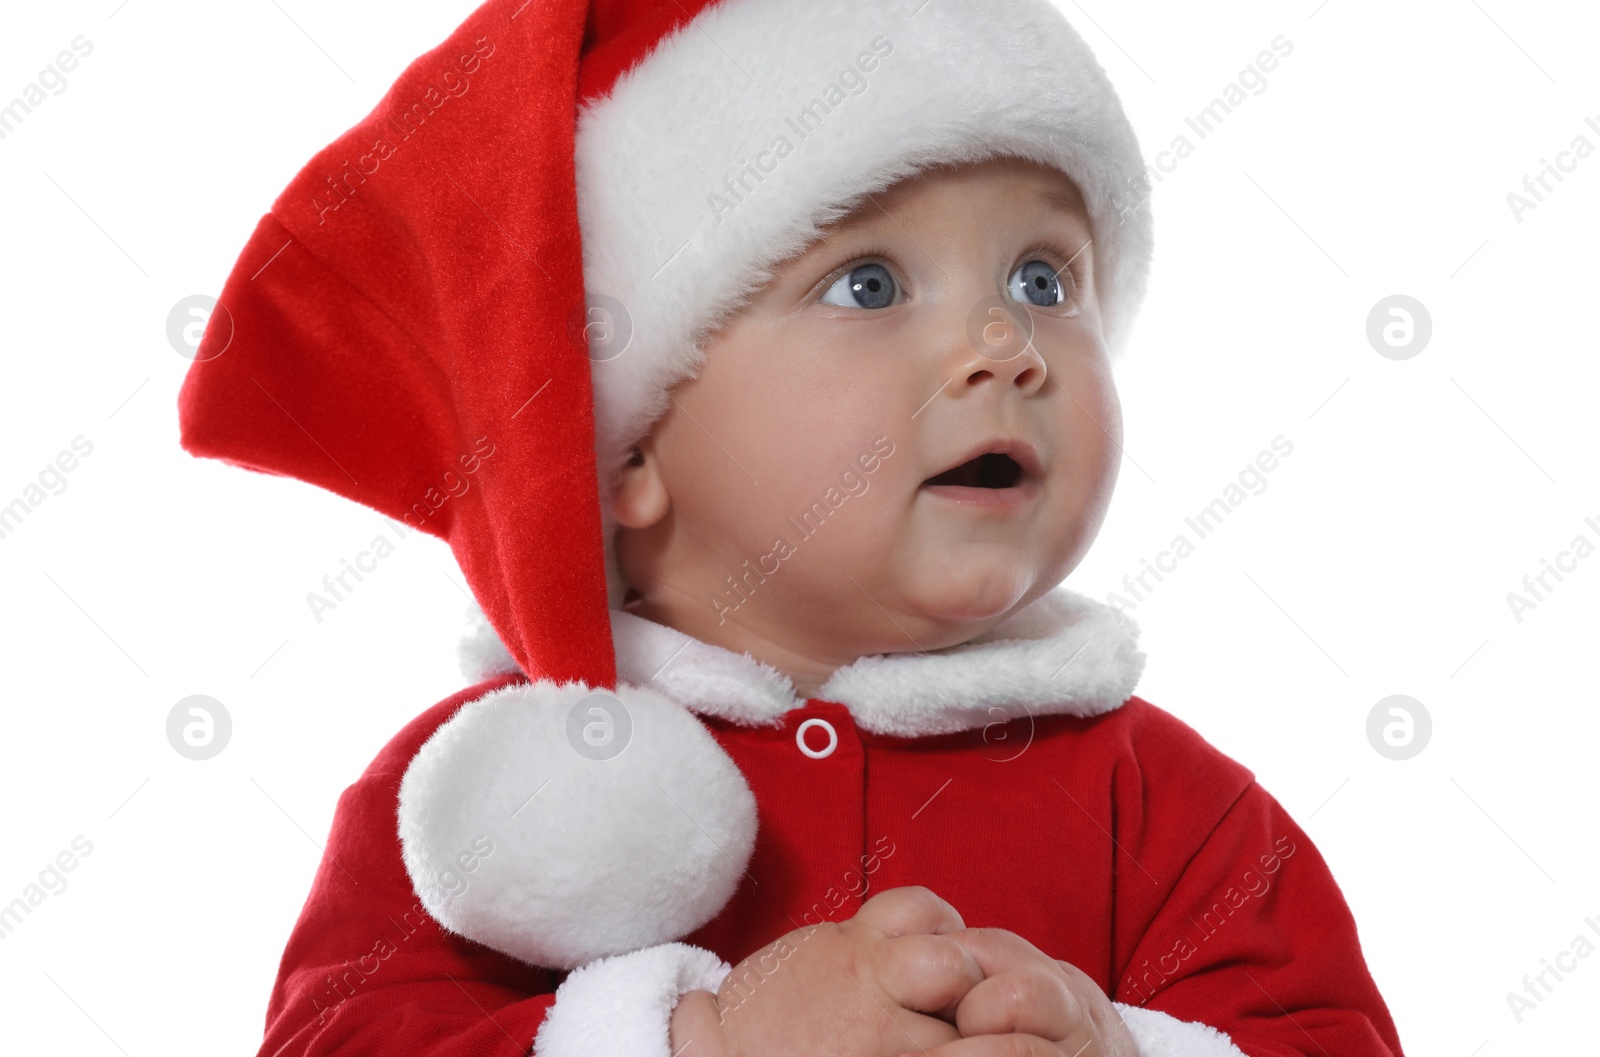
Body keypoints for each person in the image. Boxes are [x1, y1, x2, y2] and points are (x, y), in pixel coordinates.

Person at [178, 1, 1406, 1054]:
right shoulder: (476, 801)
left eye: (1044, 278)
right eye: (867, 285)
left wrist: (1118, 1042)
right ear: (629, 443)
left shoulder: (1169, 806)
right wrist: (697, 1038)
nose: (1006, 348)